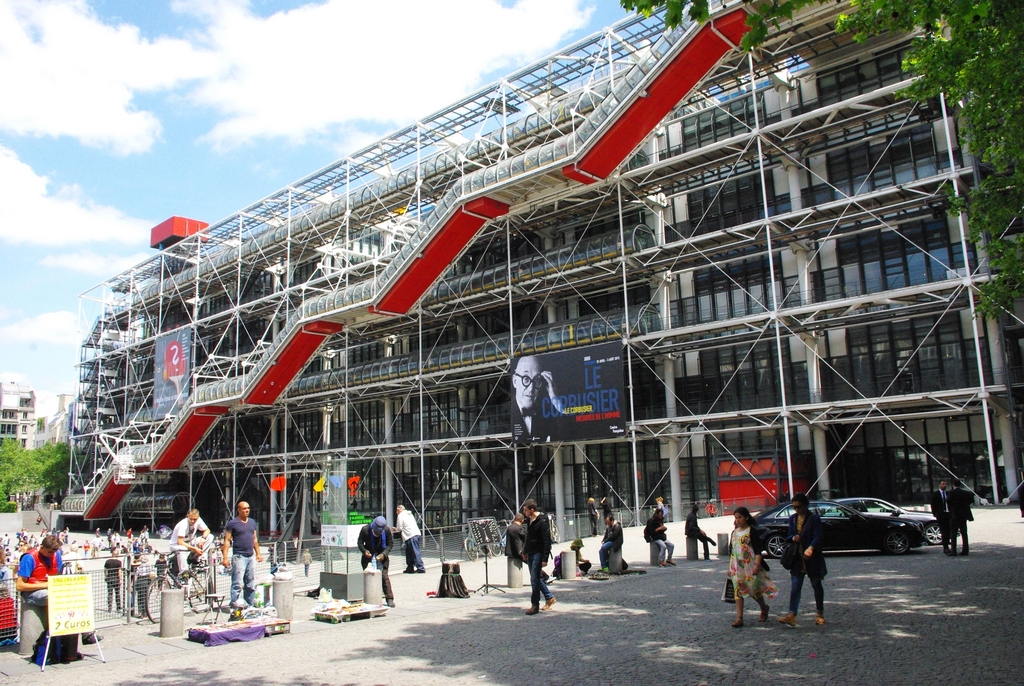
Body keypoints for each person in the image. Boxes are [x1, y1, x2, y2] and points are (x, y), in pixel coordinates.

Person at [778, 493, 826, 627]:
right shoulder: (793, 519)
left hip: (812, 558)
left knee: (816, 585)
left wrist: (811, 547)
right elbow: (789, 535)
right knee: (795, 586)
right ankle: (792, 614)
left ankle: (819, 613)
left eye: (798, 507)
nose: (796, 510)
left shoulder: (814, 519)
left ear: (805, 505)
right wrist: (793, 538)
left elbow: (818, 536)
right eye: (794, 507)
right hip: (797, 558)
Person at [728, 506, 775, 628]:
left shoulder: (751, 531)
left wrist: (757, 564)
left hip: (750, 564)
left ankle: (763, 607)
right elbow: (732, 551)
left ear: (746, 517)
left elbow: (758, 550)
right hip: (737, 567)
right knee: (738, 591)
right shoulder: (734, 533)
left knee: (753, 589)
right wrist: (730, 567)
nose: (737, 520)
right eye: (736, 518)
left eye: (740, 517)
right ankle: (739, 618)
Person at [511, 355, 564, 444]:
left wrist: (555, 399)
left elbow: (568, 433)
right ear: (515, 381)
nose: (531, 388)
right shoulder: (506, 414)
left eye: (536, 380)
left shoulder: (546, 414)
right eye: (526, 379)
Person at [222, 501, 263, 607]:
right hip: (239, 556)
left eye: (248, 508)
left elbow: (254, 539)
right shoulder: (232, 523)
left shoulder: (252, 522)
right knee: (237, 583)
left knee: (250, 582)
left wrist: (258, 553)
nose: (247, 510)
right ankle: (234, 604)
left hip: (251, 556)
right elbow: (227, 540)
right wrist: (225, 558)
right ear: (238, 510)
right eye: (244, 508)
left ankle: (249, 605)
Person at [521, 499, 554, 615]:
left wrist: (545, 558)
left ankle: (535, 605)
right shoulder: (529, 520)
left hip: (538, 553)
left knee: (534, 579)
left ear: (532, 510)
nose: (524, 512)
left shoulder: (542, 521)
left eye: (525, 510)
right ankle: (549, 597)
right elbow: (528, 537)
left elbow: (547, 540)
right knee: (535, 578)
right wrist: (524, 550)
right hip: (530, 551)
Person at [357, 516, 395, 608]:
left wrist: (384, 554)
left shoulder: (386, 530)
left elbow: (390, 544)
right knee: (368, 578)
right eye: (376, 532)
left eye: (379, 533)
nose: (377, 534)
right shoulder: (365, 529)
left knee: (384, 577)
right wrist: (365, 551)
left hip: (382, 557)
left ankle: (389, 598)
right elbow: (360, 542)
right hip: (368, 557)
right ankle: (369, 598)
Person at [171, 509, 209, 575]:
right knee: (183, 548)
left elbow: (207, 530)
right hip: (176, 545)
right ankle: (183, 573)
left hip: (189, 542)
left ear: (198, 517)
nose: (192, 521)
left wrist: (203, 539)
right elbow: (180, 541)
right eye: (191, 518)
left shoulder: (199, 520)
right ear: (188, 516)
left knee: (210, 537)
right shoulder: (183, 524)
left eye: (195, 519)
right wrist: (194, 549)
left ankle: (199, 559)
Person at [395, 505, 425, 574]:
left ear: (399, 510)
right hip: (416, 534)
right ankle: (410, 567)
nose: (396, 512)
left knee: (414, 552)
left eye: (397, 510)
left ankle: (420, 567)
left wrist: (395, 529)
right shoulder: (409, 514)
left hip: (410, 536)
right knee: (410, 552)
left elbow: (399, 528)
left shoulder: (401, 516)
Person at [950, 481, 974, 556]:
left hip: (955, 515)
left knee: (953, 533)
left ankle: (953, 551)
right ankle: (965, 550)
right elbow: (971, 499)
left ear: (953, 485)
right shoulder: (965, 493)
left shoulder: (952, 492)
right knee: (964, 533)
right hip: (964, 515)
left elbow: (948, 501)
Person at [930, 479, 953, 555]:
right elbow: (933, 505)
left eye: (945, 484)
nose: (944, 486)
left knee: (950, 531)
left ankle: (951, 546)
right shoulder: (935, 494)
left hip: (948, 514)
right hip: (941, 514)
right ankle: (945, 547)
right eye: (943, 484)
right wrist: (935, 514)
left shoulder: (948, 493)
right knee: (944, 532)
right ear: (939, 485)